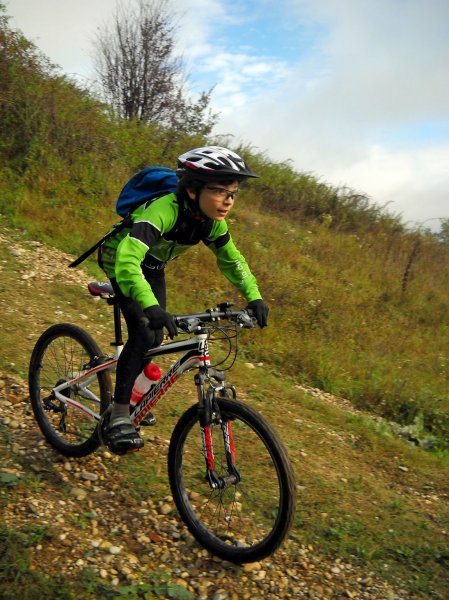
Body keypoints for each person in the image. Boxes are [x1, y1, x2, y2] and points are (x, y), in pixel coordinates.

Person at [99, 146, 269, 454]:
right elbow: (128, 260)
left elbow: (232, 260)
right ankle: (119, 412)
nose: (229, 200)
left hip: (152, 266)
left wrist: (254, 296)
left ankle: (136, 395)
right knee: (144, 330)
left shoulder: (211, 221)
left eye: (234, 193)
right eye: (220, 191)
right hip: (121, 260)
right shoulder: (164, 210)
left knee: (156, 335)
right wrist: (149, 305)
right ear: (192, 189)